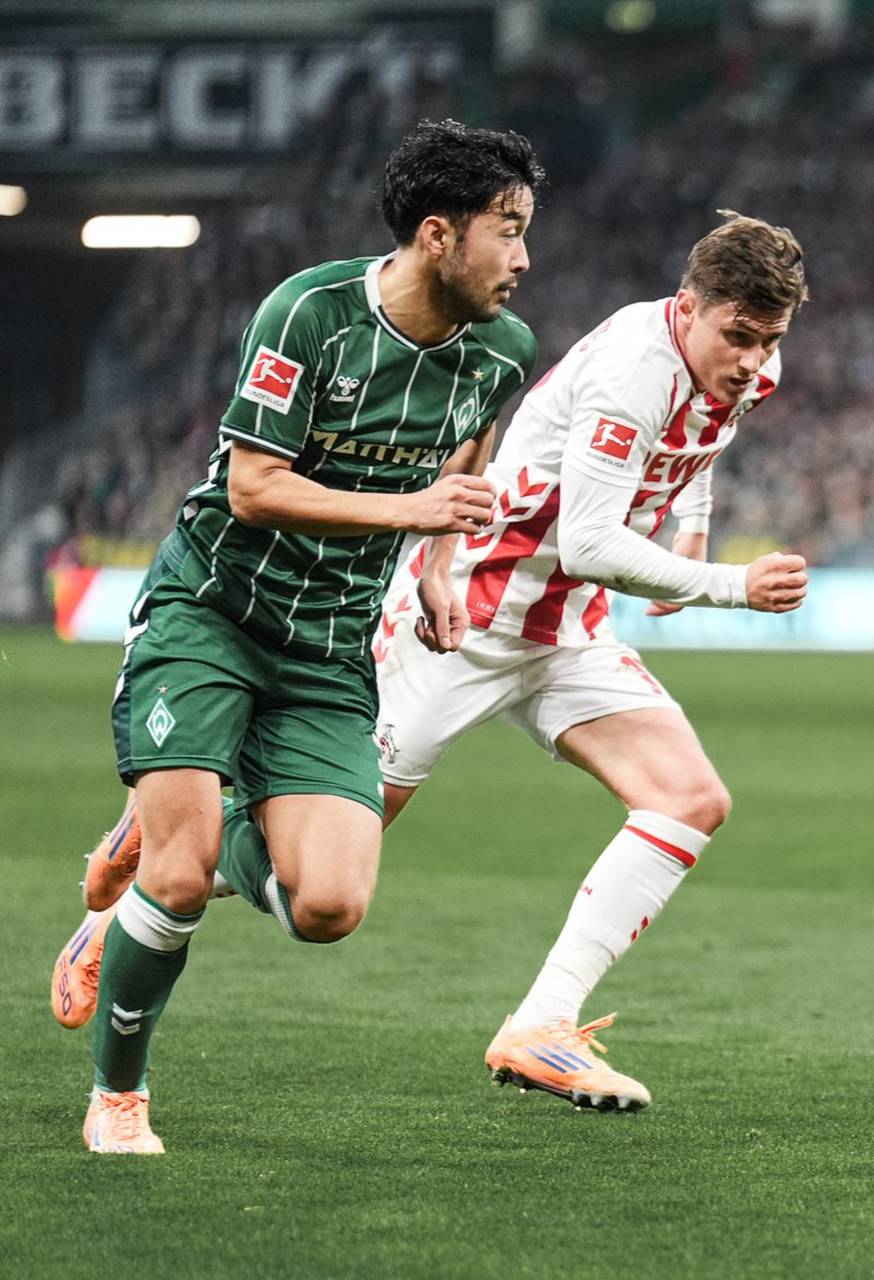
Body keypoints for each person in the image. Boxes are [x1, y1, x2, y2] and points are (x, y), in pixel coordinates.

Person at [66, 212, 811, 1116]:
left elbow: (699, 442)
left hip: (566, 628)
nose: (751, 360)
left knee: (692, 798)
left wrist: (689, 528)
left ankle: (542, 1025)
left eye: (768, 339)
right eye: (737, 336)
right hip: (467, 617)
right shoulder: (629, 374)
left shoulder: (746, 363)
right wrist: (724, 583)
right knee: (329, 869)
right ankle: (139, 885)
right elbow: (586, 541)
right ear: (687, 307)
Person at [48, 119, 544, 1154]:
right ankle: (119, 1097)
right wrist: (412, 519)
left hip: (328, 647)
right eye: (510, 230)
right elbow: (254, 486)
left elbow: (467, 460)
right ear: (439, 235)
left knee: (328, 905)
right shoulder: (309, 313)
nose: (525, 258)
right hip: (213, 614)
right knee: (180, 880)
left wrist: (444, 567)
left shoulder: (504, 350)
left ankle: (155, 832)